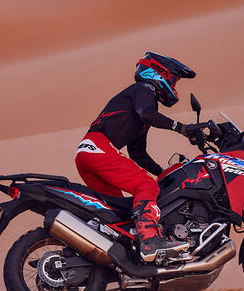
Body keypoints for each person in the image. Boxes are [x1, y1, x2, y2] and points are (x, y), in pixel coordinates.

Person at [75, 51, 203, 262]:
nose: (174, 85)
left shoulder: (141, 112)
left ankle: (97, 256)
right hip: (99, 148)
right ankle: (151, 240)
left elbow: (138, 153)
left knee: (113, 214)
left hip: (89, 152)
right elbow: (147, 113)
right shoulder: (144, 89)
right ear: (158, 73)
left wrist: (164, 173)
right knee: (146, 185)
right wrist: (182, 128)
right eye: (173, 78)